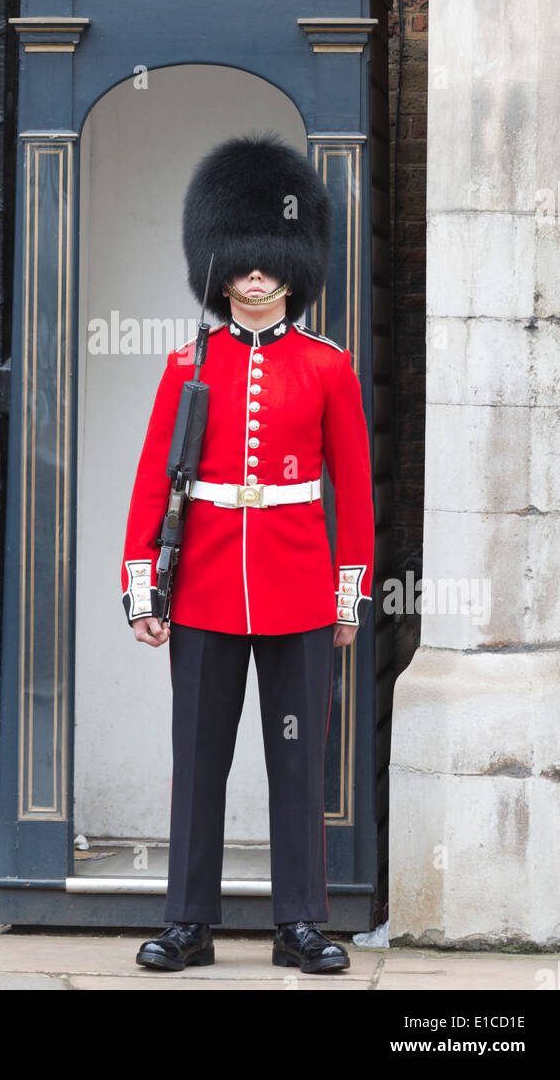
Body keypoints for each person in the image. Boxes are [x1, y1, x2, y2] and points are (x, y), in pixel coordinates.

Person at [120, 131, 375, 975]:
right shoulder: (186, 363)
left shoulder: (327, 368)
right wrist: (142, 591)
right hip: (202, 590)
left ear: (292, 264)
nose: (256, 276)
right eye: (241, 261)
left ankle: (300, 922)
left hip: (300, 591)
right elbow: (153, 482)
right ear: (218, 263)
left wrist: (347, 597)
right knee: (199, 761)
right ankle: (189, 921)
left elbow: (356, 493)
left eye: (269, 262)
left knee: (297, 763)